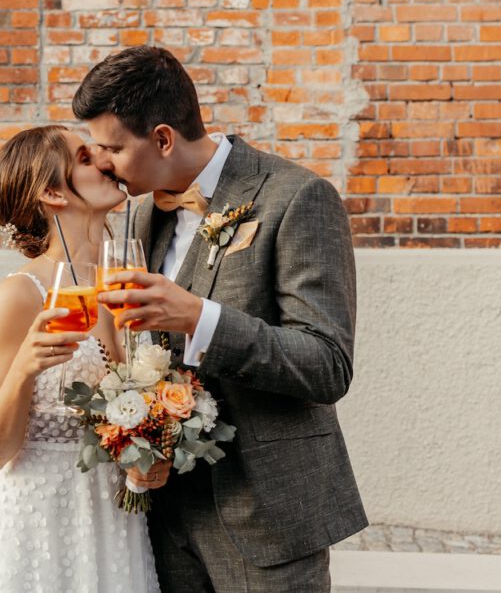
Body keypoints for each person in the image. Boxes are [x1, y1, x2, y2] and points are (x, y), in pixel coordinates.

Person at [73, 46, 368, 592]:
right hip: (162, 517)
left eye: (112, 146)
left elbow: (327, 364)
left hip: (267, 516)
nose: (104, 161)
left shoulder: (296, 197)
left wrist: (200, 319)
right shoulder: (137, 214)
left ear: (162, 138)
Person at [0, 125, 161, 593]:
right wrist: (24, 366)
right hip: (38, 526)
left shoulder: (128, 281)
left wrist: (150, 454)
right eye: (85, 158)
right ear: (51, 192)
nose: (105, 161)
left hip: (114, 522)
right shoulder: (19, 297)